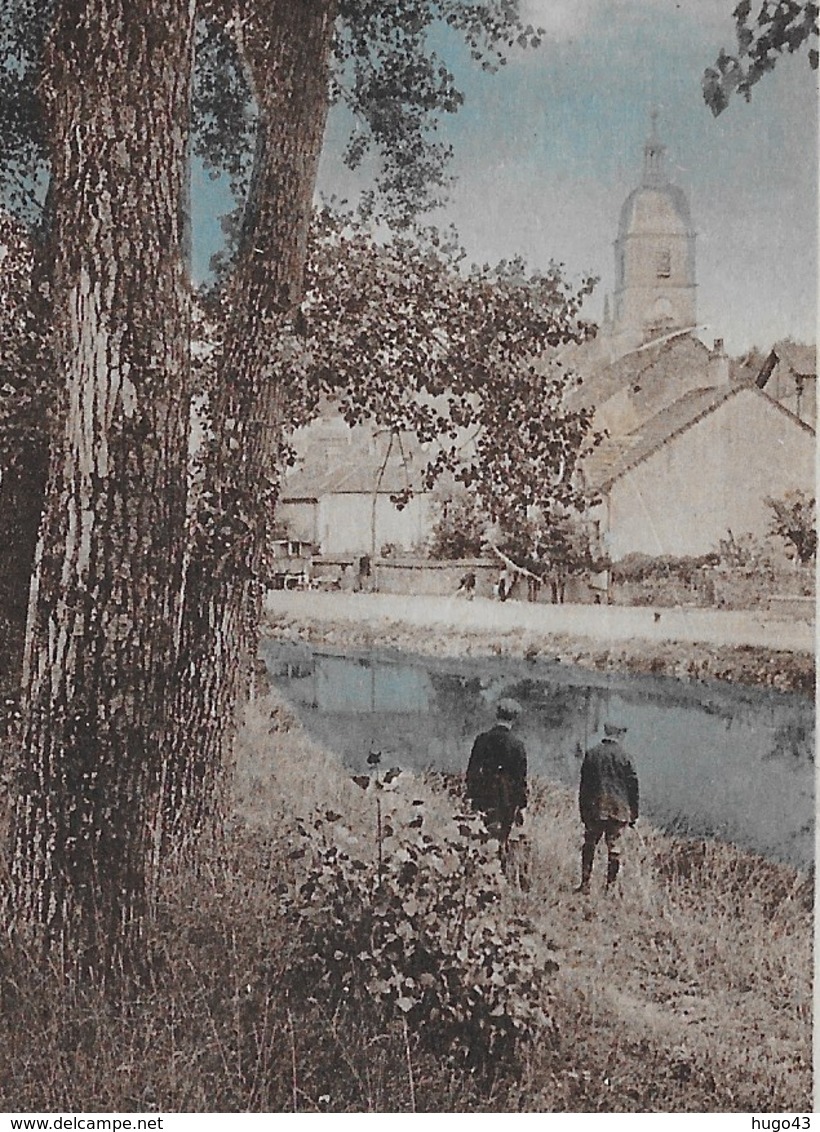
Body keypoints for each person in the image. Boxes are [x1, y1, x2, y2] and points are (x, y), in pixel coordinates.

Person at [577, 721, 639, 893]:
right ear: (619, 734)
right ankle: (609, 887)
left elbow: (584, 786)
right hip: (618, 810)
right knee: (614, 848)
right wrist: (634, 813)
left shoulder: (592, 754)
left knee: (589, 844)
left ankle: (585, 883)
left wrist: (583, 811)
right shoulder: (626, 756)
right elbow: (633, 787)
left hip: (595, 809)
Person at [466, 699, 527, 850]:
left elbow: (471, 772)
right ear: (514, 718)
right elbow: (520, 780)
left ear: (497, 714)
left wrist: (471, 795)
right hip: (505, 800)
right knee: (501, 841)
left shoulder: (482, 739)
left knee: (479, 838)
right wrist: (522, 806)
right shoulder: (517, 745)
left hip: (482, 796)